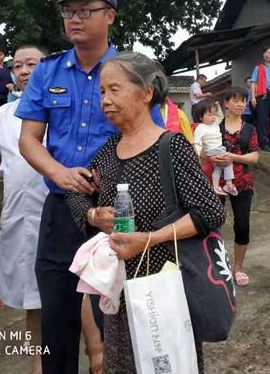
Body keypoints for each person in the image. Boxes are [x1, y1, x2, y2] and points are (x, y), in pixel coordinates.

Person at [16, 0, 162, 374]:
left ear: (110, 15)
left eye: (86, 10)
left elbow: (150, 139)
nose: (75, 18)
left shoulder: (134, 72)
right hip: (62, 210)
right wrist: (59, 173)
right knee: (56, 320)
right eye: (69, 11)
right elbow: (29, 139)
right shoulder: (47, 72)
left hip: (118, 213)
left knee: (117, 318)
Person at [65, 52, 225, 374]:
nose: (105, 100)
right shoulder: (108, 151)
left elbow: (210, 211)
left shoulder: (172, 146)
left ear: (146, 92)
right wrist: (93, 215)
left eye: (114, 89)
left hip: (164, 289)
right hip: (120, 296)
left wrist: (149, 240)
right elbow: (74, 192)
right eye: (101, 92)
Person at [0, 44, 48, 374]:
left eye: (32, 64)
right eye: (18, 65)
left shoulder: (63, 109)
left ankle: (96, 354)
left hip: (62, 216)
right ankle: (37, 361)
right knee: (32, 298)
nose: (23, 71)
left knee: (81, 291)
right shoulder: (4, 115)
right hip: (20, 216)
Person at [205, 87, 259, 287]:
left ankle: (237, 268)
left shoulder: (250, 129)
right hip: (215, 182)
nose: (240, 104)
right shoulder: (214, 127)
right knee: (212, 223)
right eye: (235, 100)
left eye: (243, 100)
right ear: (226, 103)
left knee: (242, 224)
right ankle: (216, 267)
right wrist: (212, 157)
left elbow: (254, 157)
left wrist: (233, 157)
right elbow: (201, 152)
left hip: (242, 181)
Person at [193, 98, 238, 196]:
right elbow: (197, 143)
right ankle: (228, 184)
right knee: (228, 162)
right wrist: (197, 156)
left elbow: (220, 115)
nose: (213, 117)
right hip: (212, 150)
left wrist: (216, 105)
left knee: (218, 168)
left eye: (214, 114)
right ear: (201, 117)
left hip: (219, 149)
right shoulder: (200, 128)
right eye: (209, 115)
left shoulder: (215, 123)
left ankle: (216, 186)